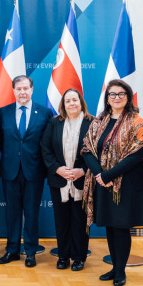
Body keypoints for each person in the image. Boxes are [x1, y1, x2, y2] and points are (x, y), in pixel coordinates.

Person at [82, 79, 143, 286]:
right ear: (107, 98)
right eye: (112, 94)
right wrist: (99, 175)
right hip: (102, 182)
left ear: (128, 97)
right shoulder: (99, 120)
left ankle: (121, 271)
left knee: (121, 227)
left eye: (121, 94)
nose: (117, 98)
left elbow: (137, 154)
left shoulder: (136, 121)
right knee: (110, 227)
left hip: (125, 184)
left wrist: (109, 175)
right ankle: (114, 267)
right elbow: (87, 149)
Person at [0, 75, 51, 267]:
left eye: (25, 88)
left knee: (31, 213)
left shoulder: (44, 113)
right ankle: (12, 250)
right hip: (10, 170)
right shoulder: (3, 112)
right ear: (13, 91)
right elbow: (1, 141)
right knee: (11, 213)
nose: (22, 92)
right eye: (18, 88)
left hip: (34, 171)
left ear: (32, 89)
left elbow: (46, 143)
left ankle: (30, 252)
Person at [41, 88, 92, 271]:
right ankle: (63, 256)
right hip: (59, 180)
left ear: (81, 103)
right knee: (61, 221)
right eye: (68, 101)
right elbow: (45, 148)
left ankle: (79, 257)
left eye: (75, 100)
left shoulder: (92, 123)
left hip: (82, 181)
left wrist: (83, 170)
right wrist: (57, 169)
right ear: (63, 104)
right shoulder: (55, 123)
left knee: (80, 222)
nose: (71, 104)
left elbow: (98, 153)